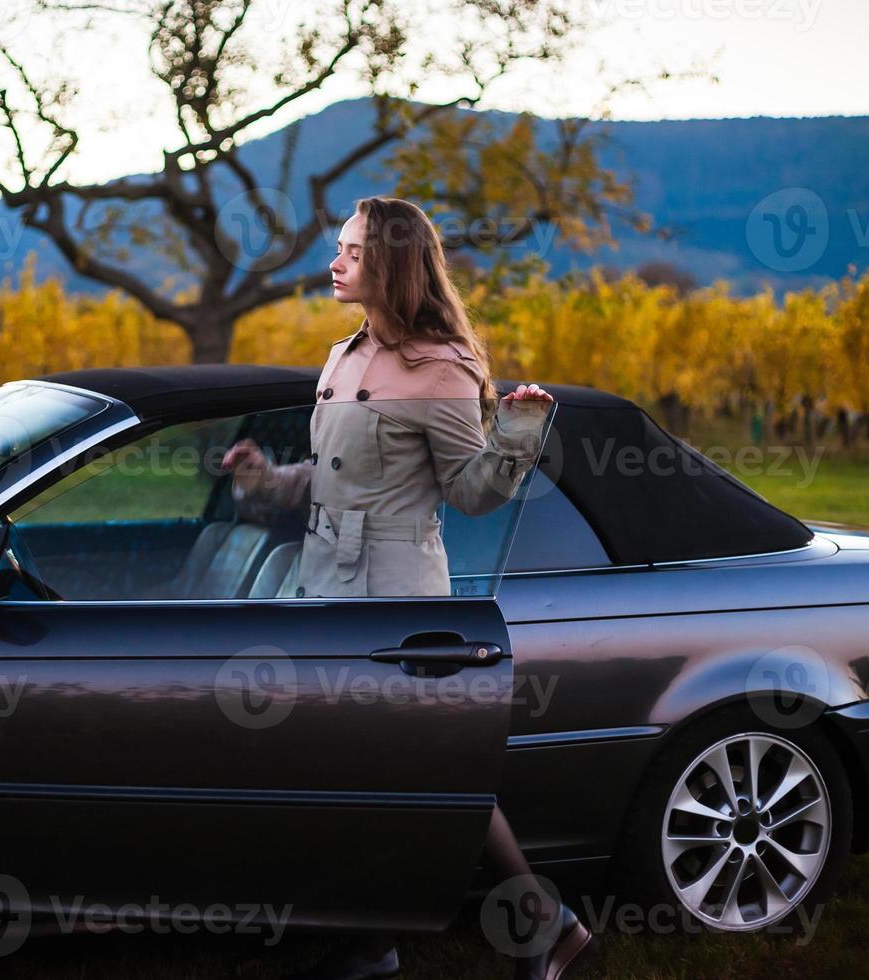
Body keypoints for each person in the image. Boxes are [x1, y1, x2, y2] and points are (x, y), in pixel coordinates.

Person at [221, 196, 593, 980]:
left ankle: (538, 922)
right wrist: (260, 482)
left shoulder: (440, 368)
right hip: (323, 591)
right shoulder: (342, 355)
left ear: (390, 264)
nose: (336, 262)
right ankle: (376, 937)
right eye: (338, 248)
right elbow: (328, 484)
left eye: (352, 252)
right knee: (354, 771)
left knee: (427, 769)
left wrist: (519, 432)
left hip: (397, 601)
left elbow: (471, 491)